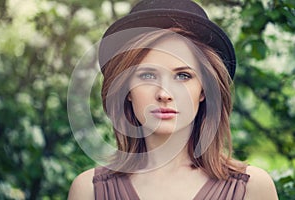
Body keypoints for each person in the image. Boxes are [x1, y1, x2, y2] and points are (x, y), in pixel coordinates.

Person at [68, 0, 278, 199]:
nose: (164, 94)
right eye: (148, 75)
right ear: (127, 90)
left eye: (183, 76)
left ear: (204, 90)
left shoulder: (251, 188)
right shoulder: (89, 191)